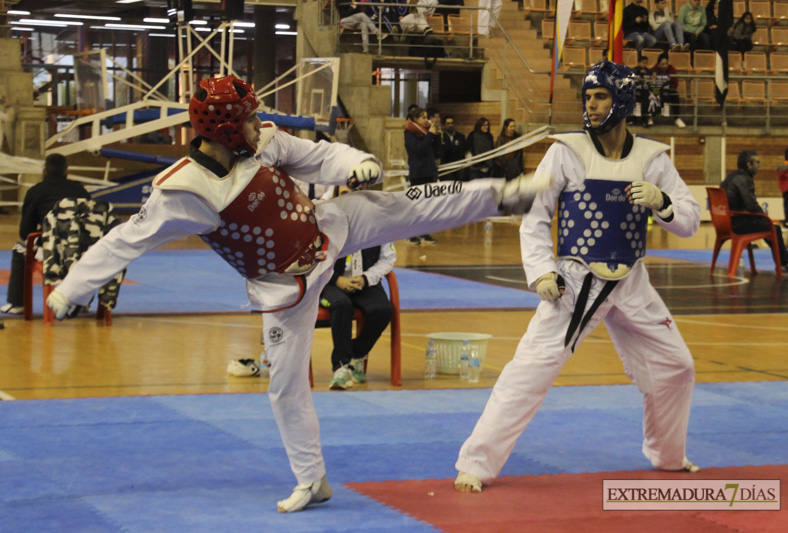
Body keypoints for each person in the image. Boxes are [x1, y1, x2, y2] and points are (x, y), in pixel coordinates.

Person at [44, 75, 547, 513]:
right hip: (285, 289)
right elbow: (122, 240)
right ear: (221, 128)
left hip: (329, 230)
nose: (257, 124)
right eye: (247, 118)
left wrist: (358, 163)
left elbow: (320, 156)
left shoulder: (262, 140)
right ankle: (313, 480)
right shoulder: (181, 192)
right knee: (285, 387)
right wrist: (70, 290)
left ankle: (503, 196)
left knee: (402, 205)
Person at [453, 61, 702, 494]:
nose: (590, 104)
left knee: (678, 366)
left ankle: (667, 455)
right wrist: (542, 272)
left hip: (632, 280)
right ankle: (476, 463)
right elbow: (535, 217)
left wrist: (662, 202)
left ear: (622, 101)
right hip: (575, 283)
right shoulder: (565, 150)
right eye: (587, 97)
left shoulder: (652, 158)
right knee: (530, 370)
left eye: (600, 96)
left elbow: (690, 221)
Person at [321, 196, 396, 390]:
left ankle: (357, 353)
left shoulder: (379, 223)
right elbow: (314, 259)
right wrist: (337, 279)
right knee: (341, 305)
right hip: (330, 283)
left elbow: (387, 259)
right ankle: (341, 367)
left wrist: (366, 278)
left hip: (363, 281)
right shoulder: (325, 222)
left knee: (383, 310)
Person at [2, 154, 90, 315]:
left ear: (44, 172)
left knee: (19, 248)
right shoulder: (81, 190)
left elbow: (25, 231)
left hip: (50, 250)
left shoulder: (36, 191)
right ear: (66, 172)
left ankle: (17, 303)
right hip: (79, 250)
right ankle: (82, 302)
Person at [721, 150, 788, 272]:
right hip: (738, 224)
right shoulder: (744, 179)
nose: (759, 165)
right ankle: (785, 262)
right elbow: (752, 206)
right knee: (774, 228)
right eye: (756, 162)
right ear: (749, 164)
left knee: (768, 226)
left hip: (727, 223)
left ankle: (787, 260)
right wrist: (764, 216)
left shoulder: (730, 177)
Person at [404, 106, 442, 245]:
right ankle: (411, 234)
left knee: (428, 204)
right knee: (416, 205)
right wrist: (430, 135)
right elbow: (419, 149)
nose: (427, 120)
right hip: (418, 173)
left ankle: (424, 232)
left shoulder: (427, 132)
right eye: (423, 117)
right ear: (415, 119)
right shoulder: (410, 133)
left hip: (429, 171)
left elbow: (437, 151)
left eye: (427, 117)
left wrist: (437, 135)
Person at [652, 53, 687, 129]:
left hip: (668, 91)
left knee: (675, 95)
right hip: (657, 91)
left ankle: (677, 118)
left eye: (666, 63)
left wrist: (667, 88)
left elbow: (675, 83)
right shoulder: (654, 69)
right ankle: (649, 117)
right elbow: (650, 81)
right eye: (662, 64)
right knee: (651, 95)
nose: (664, 66)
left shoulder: (671, 69)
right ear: (658, 64)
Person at [440, 115, 468, 181]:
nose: (450, 125)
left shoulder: (460, 136)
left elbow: (465, 152)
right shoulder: (440, 137)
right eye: (448, 123)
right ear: (444, 125)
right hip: (446, 170)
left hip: (459, 169)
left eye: (452, 123)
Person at [632, 55, 655, 127]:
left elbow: (652, 73)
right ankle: (634, 119)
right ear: (638, 63)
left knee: (647, 100)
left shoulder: (647, 71)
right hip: (635, 91)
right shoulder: (634, 70)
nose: (644, 65)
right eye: (643, 63)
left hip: (644, 92)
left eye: (646, 63)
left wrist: (654, 73)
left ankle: (644, 119)